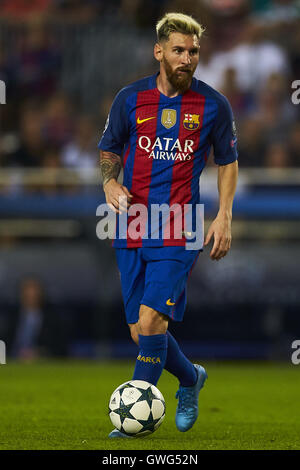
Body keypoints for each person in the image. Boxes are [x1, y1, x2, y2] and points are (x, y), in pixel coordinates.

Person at [99, 12, 238, 437]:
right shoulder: (129, 99)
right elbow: (109, 149)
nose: (187, 59)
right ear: (159, 51)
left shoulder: (213, 104)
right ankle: (191, 377)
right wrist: (109, 183)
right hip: (132, 221)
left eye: (193, 51)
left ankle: (135, 415)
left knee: (152, 321)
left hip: (181, 225)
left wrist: (224, 216)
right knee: (139, 331)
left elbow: (228, 162)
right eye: (178, 50)